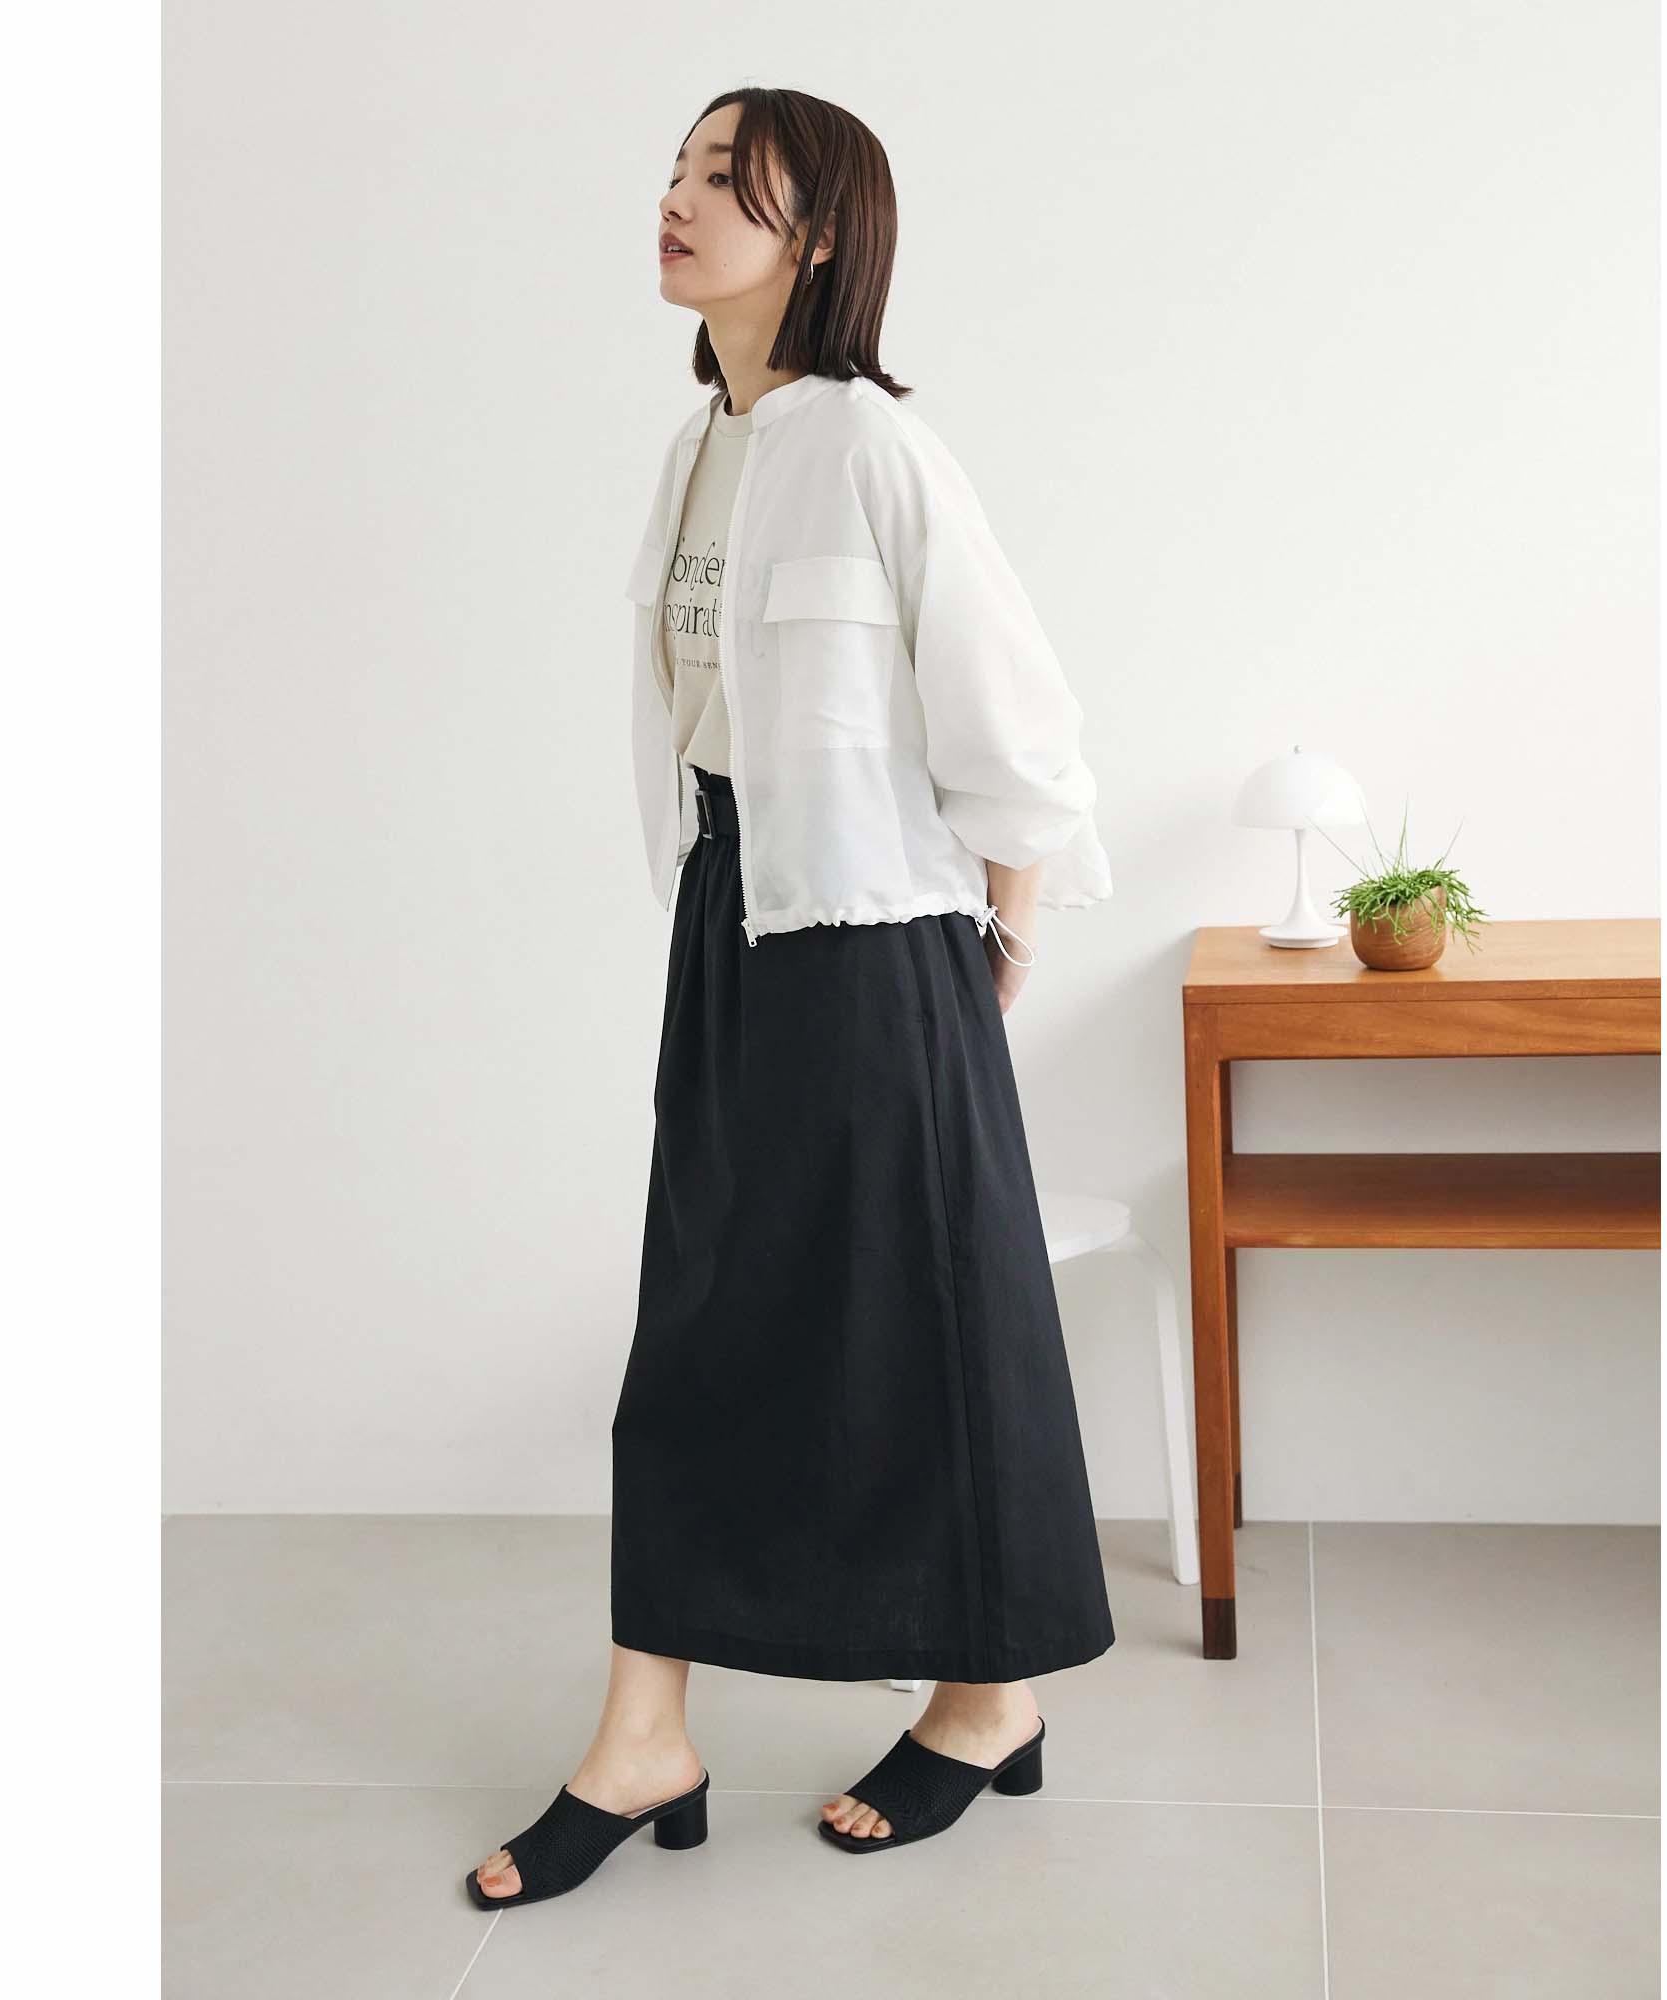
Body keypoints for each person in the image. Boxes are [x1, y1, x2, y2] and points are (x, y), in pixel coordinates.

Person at [467, 84, 1115, 1908]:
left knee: (929, 1316)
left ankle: (984, 1701)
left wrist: (1000, 941)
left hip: (879, 934)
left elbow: (1015, 720)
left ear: (815, 234)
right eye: (674, 170)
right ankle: (645, 1733)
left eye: (723, 181)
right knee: (697, 1325)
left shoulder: (872, 446)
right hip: (733, 916)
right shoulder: (707, 448)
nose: (676, 201)